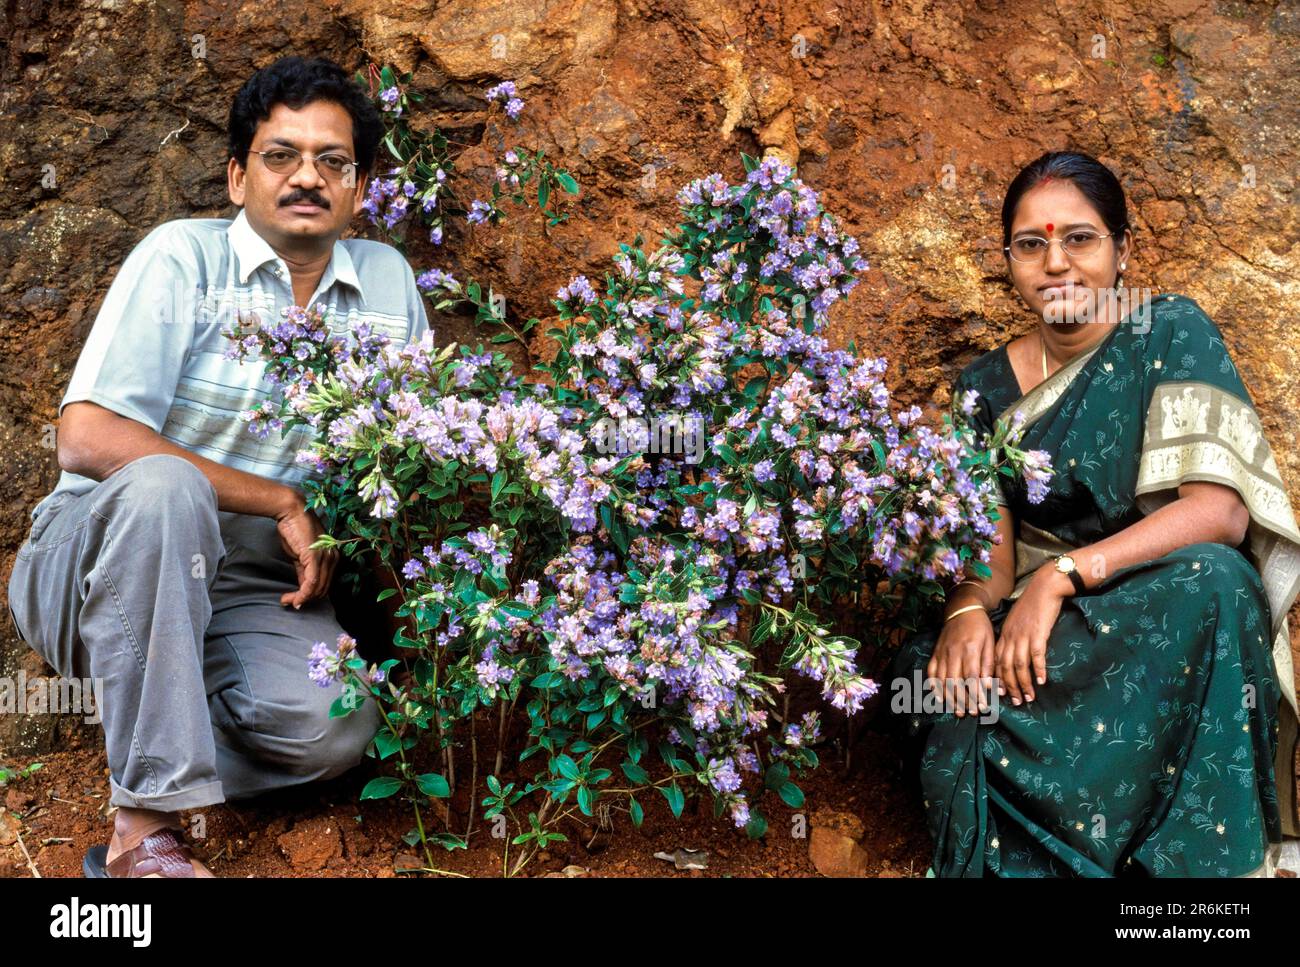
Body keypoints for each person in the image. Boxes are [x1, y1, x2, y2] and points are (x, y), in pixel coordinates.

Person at [5, 56, 430, 877]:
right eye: (281, 155)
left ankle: (147, 717)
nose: (308, 176)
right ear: (237, 177)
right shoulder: (181, 260)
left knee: (337, 725)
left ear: (362, 188)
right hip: (95, 557)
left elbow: (401, 455)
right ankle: (142, 831)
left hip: (251, 590)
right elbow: (86, 436)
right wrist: (277, 497)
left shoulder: (386, 283)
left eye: (332, 161)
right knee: (167, 487)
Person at [891, 150, 1300, 877]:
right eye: (1031, 243)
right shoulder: (981, 388)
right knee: (929, 671)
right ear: (1009, 258)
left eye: (1080, 238)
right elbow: (993, 557)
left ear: (1121, 251)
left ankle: (1189, 867)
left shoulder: (1169, 331)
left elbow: (1221, 513)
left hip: (1154, 607)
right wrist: (965, 614)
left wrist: (1067, 577)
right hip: (1052, 631)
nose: (1056, 262)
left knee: (1214, 580)